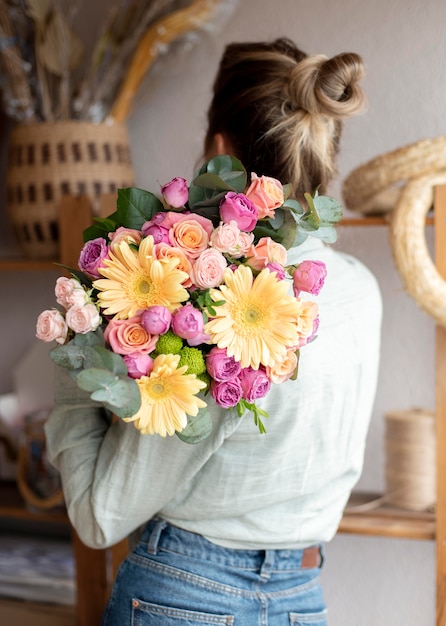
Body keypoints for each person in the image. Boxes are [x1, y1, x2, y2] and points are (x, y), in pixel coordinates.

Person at [45, 38, 382, 625]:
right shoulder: (359, 289)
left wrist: (80, 345)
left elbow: (101, 515)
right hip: (304, 601)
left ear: (218, 151)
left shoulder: (219, 298)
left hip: (184, 595)